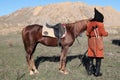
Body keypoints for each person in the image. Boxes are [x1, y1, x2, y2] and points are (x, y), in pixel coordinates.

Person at [86, 8, 108, 77]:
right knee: (98, 57)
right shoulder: (100, 24)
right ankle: (97, 73)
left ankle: (90, 72)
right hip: (98, 41)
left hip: (91, 41)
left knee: (91, 55)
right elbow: (104, 33)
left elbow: (87, 33)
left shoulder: (89, 23)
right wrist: (107, 33)